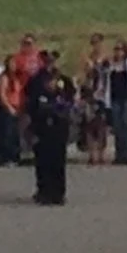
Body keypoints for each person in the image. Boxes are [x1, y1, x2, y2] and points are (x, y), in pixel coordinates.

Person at [25, 57, 76, 203]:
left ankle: (58, 193)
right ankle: (44, 191)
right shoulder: (36, 86)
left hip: (58, 130)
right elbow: (32, 109)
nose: (51, 84)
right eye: (49, 82)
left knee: (58, 163)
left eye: (53, 81)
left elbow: (68, 106)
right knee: (42, 162)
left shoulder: (64, 88)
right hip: (41, 130)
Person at [0, 41, 28, 166]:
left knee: (16, 135)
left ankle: (16, 156)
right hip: (8, 109)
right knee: (7, 134)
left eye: (15, 63)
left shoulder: (18, 77)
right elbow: (2, 94)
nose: (13, 65)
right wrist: (9, 107)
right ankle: (7, 157)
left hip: (19, 108)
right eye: (11, 63)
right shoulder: (5, 77)